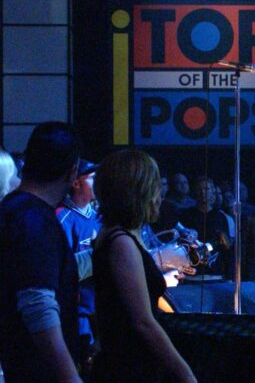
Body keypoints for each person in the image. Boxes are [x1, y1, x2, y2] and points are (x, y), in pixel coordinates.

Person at [92, 149, 195, 382]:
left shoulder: (120, 235)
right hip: (130, 367)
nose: (160, 195)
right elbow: (143, 322)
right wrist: (186, 374)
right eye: (155, 186)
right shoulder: (121, 242)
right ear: (139, 192)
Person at [0, 122, 82, 382]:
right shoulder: (35, 219)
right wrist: (70, 377)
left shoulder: (11, 209)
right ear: (72, 172)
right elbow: (37, 305)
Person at [56, 159, 100, 373]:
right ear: (76, 184)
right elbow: (63, 269)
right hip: (77, 314)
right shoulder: (62, 218)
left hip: (100, 311)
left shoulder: (101, 216)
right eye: (92, 178)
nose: (98, 182)